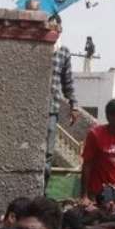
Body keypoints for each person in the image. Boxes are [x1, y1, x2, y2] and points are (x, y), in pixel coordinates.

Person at [46, 17, 80, 182]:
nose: (55, 28)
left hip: (51, 109)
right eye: (51, 24)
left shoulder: (63, 52)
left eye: (57, 25)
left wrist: (74, 106)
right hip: (31, 109)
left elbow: (68, 82)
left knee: (47, 155)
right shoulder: (37, 46)